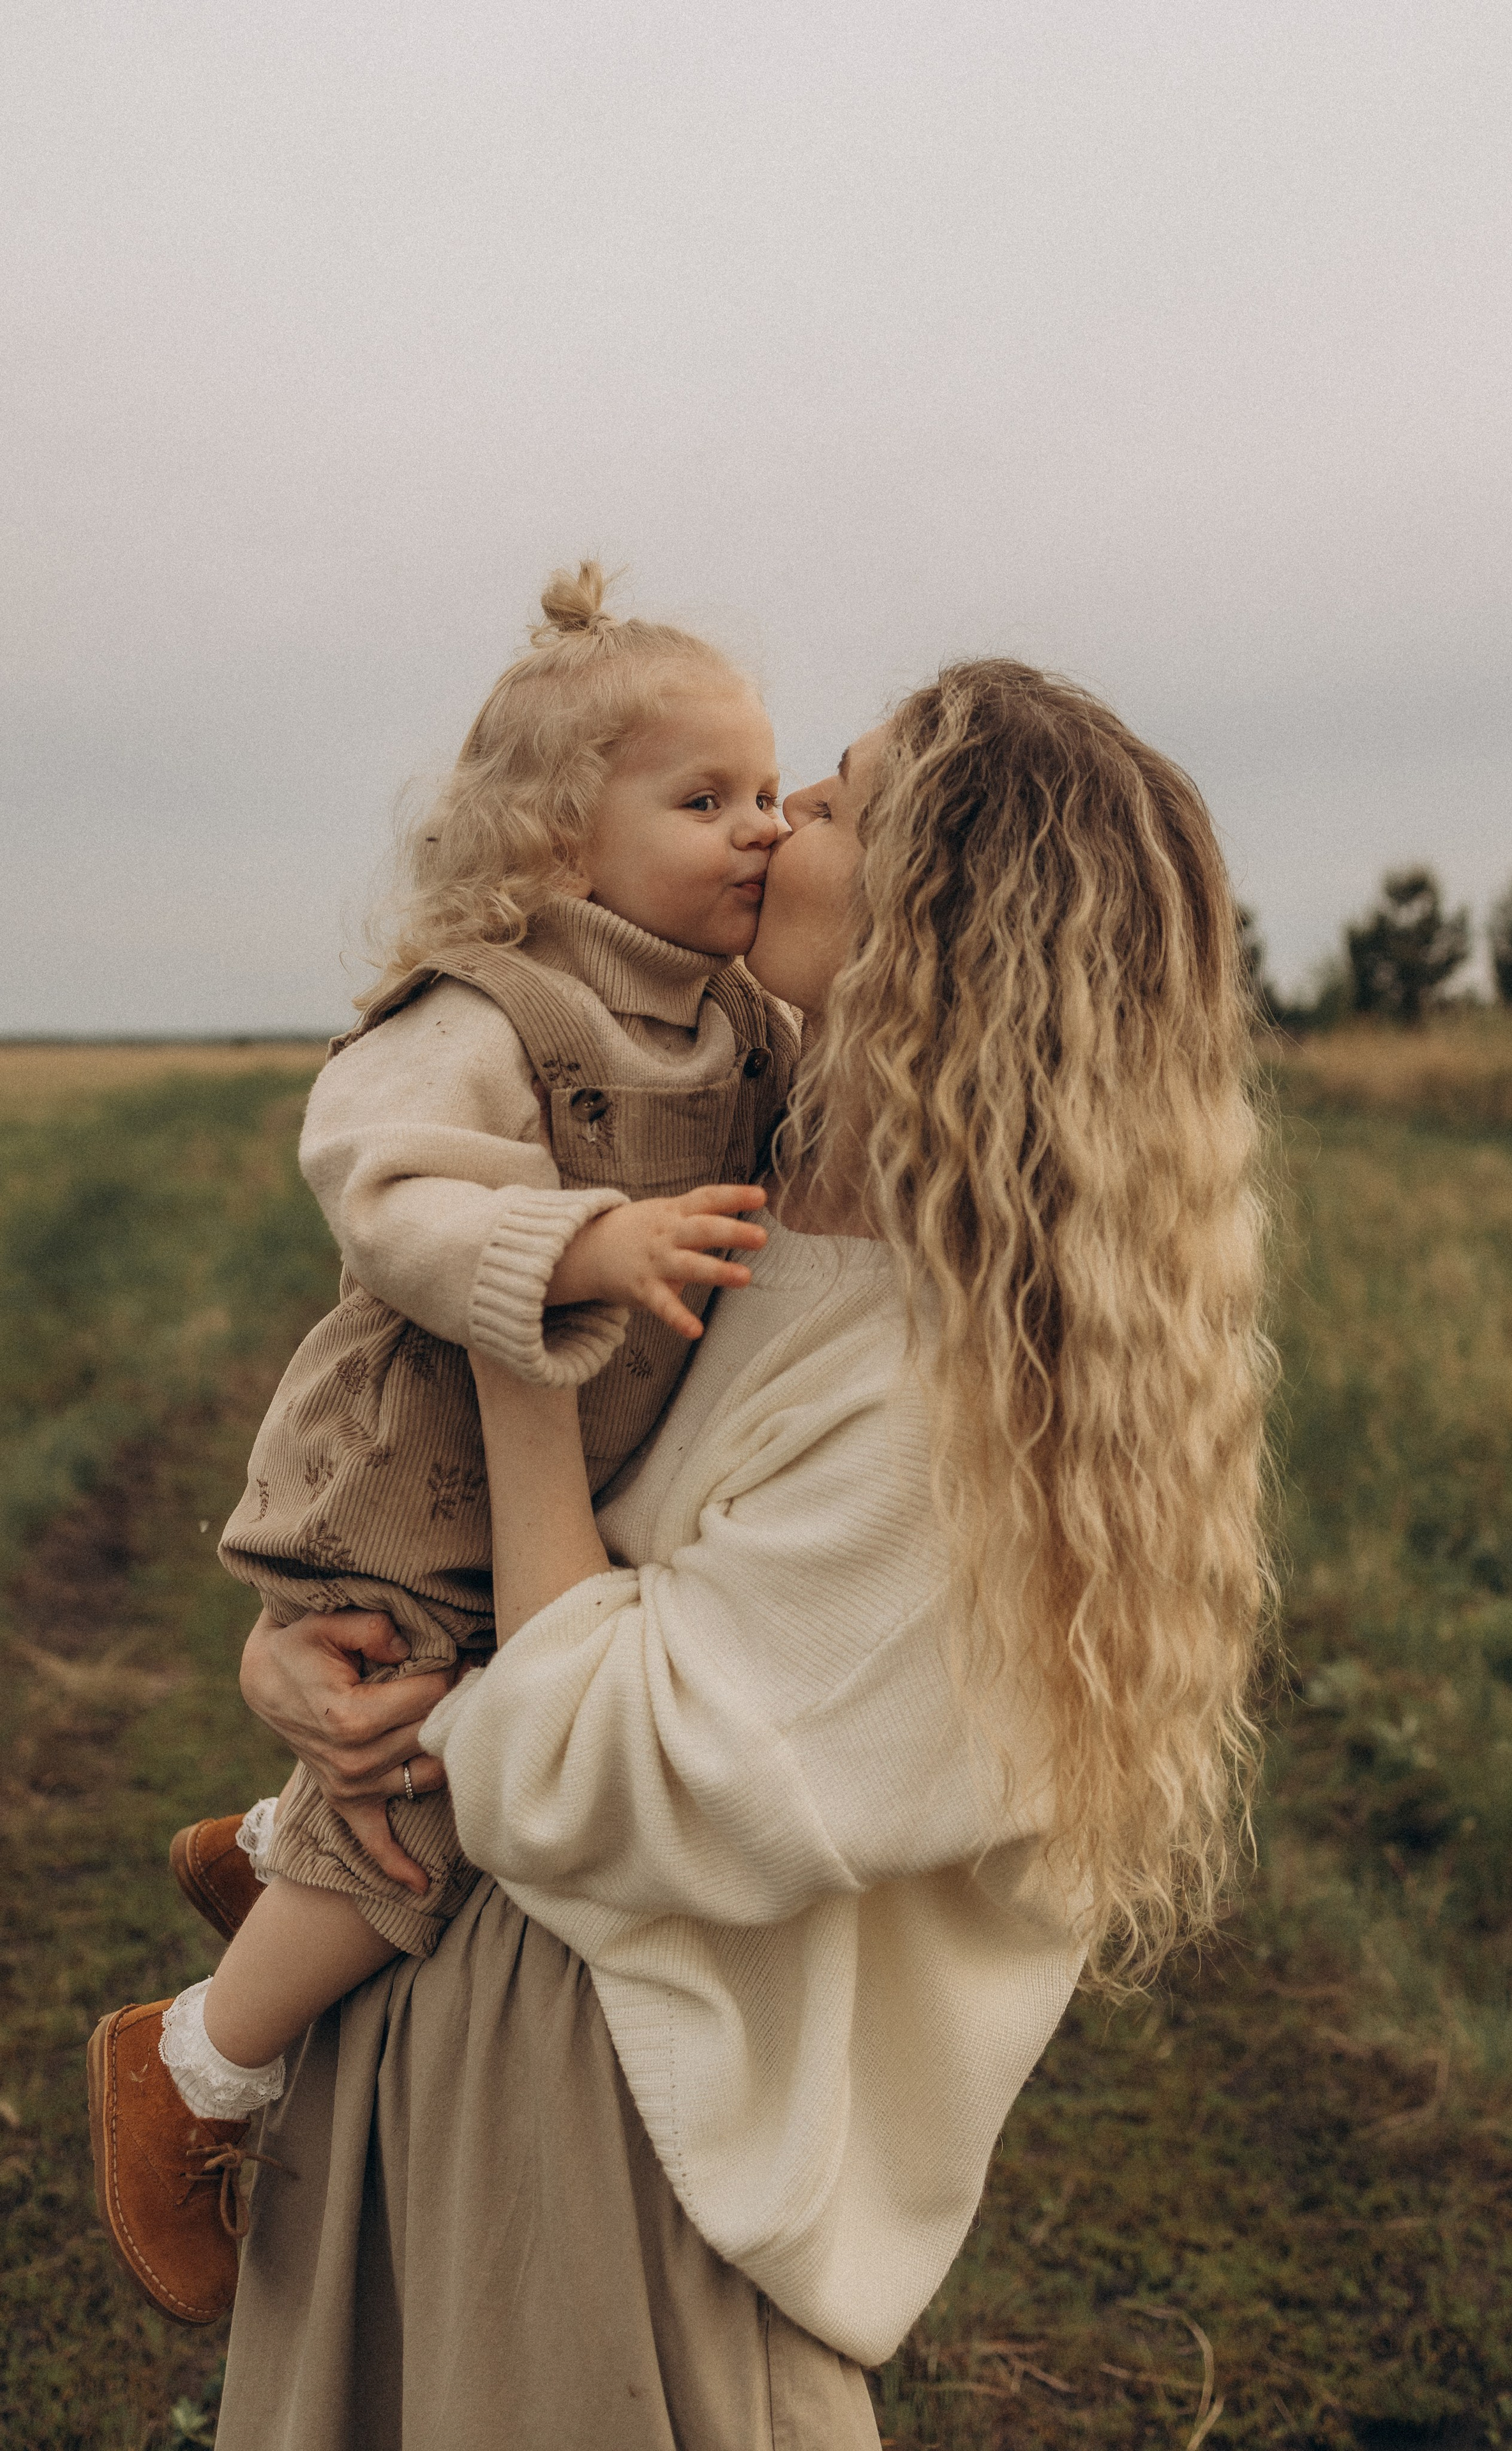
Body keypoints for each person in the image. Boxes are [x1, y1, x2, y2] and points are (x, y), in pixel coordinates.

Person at [201, 657, 1272, 2451]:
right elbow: (525, 1588)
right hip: (455, 2039)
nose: (781, 827)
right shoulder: (765, 1196)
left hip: (623, 2158)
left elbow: (588, 1776)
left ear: (945, 915)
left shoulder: (964, 1409)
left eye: (839, 801)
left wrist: (517, 1317)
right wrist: (311, 1660)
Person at [86, 562, 800, 2324]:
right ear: (562, 838)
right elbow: (375, 1179)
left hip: (554, 1473)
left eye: (769, 794)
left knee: (485, 1733)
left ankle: (262, 1858)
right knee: (424, 1789)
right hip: (415, 1468)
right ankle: (193, 2065)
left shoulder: (743, 1029)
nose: (760, 833)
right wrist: (570, 1241)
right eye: (702, 800)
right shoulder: (491, 1010)